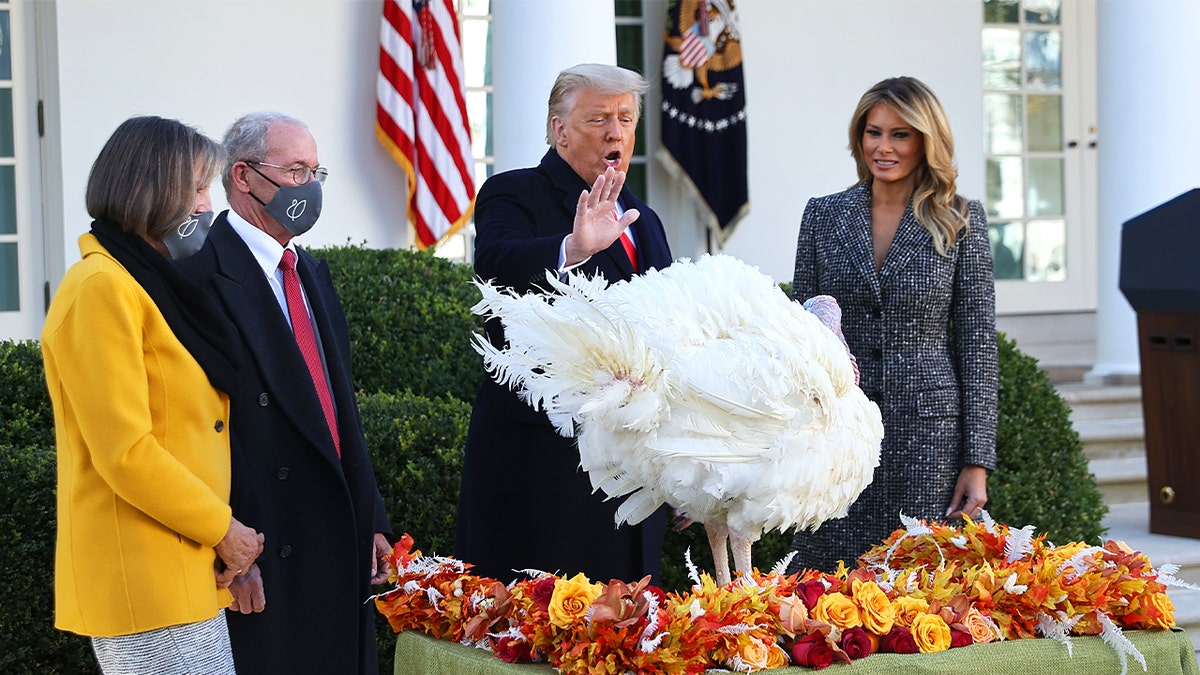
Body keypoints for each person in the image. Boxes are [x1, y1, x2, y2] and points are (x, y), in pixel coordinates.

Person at [42, 116, 264, 674]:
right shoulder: (100, 288)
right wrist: (225, 532)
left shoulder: (148, 281)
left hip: (183, 568)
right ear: (150, 191)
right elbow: (125, 451)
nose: (205, 205)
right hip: (142, 576)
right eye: (194, 188)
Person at [177, 111, 392, 674]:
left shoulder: (310, 272)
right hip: (264, 543)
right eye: (296, 171)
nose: (311, 187)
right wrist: (234, 547)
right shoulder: (199, 272)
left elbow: (341, 408)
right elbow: (207, 427)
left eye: (316, 170)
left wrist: (369, 516)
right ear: (243, 177)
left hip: (336, 531)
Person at [456, 63, 673, 584]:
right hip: (544, 461)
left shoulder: (644, 216)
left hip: (632, 463)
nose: (615, 130)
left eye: (625, 117)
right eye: (598, 117)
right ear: (559, 130)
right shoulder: (513, 193)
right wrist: (572, 249)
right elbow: (498, 264)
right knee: (543, 636)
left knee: (627, 633)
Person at [787, 76, 998, 574]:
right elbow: (801, 332)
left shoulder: (961, 220)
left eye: (900, 134)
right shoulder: (823, 216)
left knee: (917, 583)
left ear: (927, 141)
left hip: (926, 433)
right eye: (873, 132)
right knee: (826, 583)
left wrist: (977, 461)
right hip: (835, 432)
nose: (883, 147)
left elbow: (977, 344)